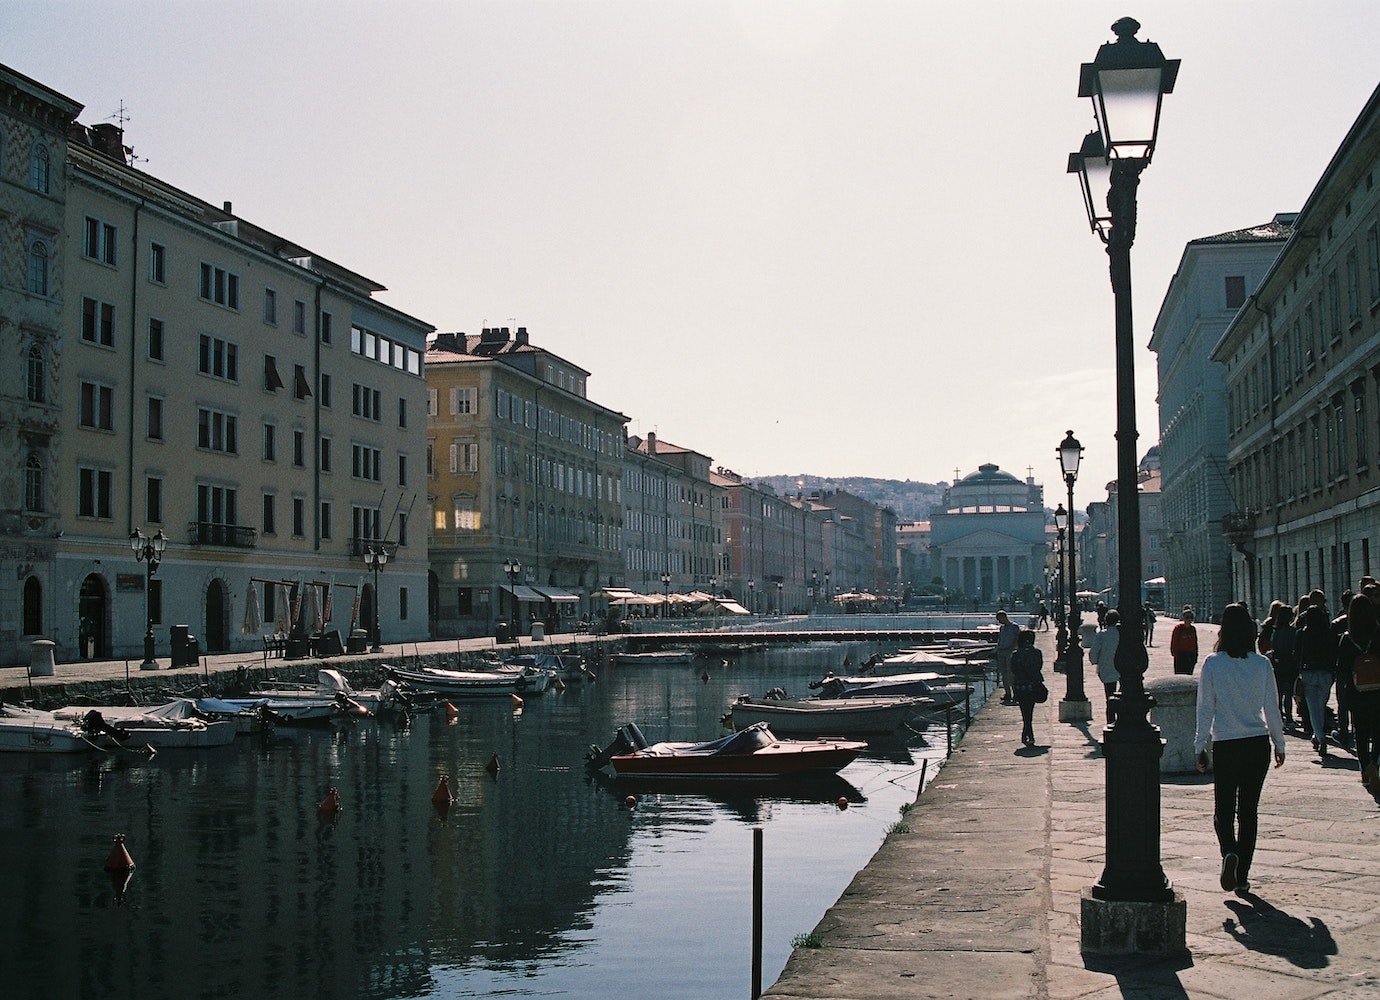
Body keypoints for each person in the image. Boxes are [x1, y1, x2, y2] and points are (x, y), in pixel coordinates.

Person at [1194, 602, 1286, 895]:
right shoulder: (1262, 664)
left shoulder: (1212, 663)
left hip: (1226, 743)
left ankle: (1229, 852)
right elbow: (1272, 708)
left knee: (1223, 810)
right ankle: (1242, 875)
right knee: (1249, 811)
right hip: (1257, 743)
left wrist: (1199, 746)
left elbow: (1205, 708)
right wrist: (1279, 743)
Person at [1336, 595, 1380, 793]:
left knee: (1360, 732)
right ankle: (1375, 763)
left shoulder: (1347, 638)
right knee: (1378, 730)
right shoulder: (1378, 634)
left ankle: (1365, 767)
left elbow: (1342, 669)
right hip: (1378, 691)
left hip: (1357, 692)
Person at [1298, 598, 1337, 758]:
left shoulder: (1302, 634)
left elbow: (1297, 654)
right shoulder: (1329, 633)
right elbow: (1334, 653)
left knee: (1314, 709)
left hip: (1308, 673)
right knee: (1320, 707)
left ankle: (1320, 738)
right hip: (1326, 674)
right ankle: (1318, 736)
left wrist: (1298, 672)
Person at [1268, 602, 1300, 729]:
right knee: (1288, 693)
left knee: (1279, 693)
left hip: (1277, 663)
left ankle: (1279, 717)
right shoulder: (1293, 631)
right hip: (1289, 663)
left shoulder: (1276, 631)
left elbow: (1273, 645)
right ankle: (1289, 718)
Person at [1011, 629, 1044, 747]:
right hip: (1032, 685)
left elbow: (1013, 669)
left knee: (1024, 711)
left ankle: (1027, 732)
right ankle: (1028, 732)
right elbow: (1039, 667)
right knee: (1030, 710)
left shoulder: (1015, 654)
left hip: (1020, 685)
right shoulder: (1037, 653)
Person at [1088, 608, 1121, 724]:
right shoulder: (1122, 634)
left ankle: (1110, 721)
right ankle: (1121, 717)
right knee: (1123, 695)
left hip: (1106, 668)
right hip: (1123, 668)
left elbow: (1094, 652)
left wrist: (1095, 662)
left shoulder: (1102, 635)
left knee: (1110, 696)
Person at [995, 610, 1020, 704]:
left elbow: (1017, 638)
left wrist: (1013, 648)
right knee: (1003, 674)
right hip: (1001, 651)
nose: (999, 621)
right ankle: (1007, 693)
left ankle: (1015, 693)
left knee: (1011, 674)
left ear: (1003, 617)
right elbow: (1000, 639)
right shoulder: (1002, 628)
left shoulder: (1014, 627)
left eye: (999, 619)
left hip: (1010, 651)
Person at [1170, 606, 1199, 675]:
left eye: (1191, 617)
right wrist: (1175, 654)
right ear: (1183, 618)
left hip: (1191, 654)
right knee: (1180, 674)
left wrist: (1196, 655)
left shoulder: (1193, 629)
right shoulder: (1178, 628)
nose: (1189, 619)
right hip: (1181, 655)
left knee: (1189, 674)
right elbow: (1174, 641)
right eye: (1187, 617)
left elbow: (1195, 642)